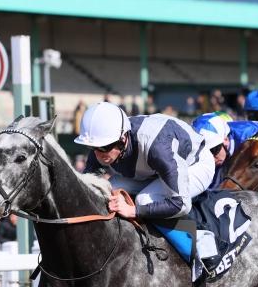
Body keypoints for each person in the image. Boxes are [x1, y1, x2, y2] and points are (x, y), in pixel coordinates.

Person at [75, 101, 219, 268]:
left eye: (105, 147)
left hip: (195, 165)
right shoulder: (105, 143)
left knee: (144, 200)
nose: (99, 154)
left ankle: (200, 240)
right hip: (154, 169)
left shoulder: (158, 149)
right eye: (93, 147)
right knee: (109, 188)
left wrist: (133, 211)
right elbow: (86, 189)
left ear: (123, 138)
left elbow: (181, 204)